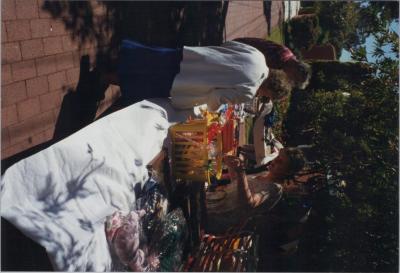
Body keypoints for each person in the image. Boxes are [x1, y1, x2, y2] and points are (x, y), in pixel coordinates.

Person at [115, 39, 279, 112]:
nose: (263, 97)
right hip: (191, 80)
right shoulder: (249, 91)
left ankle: (117, 56)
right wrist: (214, 109)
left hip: (197, 56)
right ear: (270, 89)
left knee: (153, 57)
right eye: (268, 96)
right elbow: (216, 96)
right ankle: (108, 77)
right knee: (147, 81)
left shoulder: (258, 55)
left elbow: (230, 44)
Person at [205, 147, 306, 234]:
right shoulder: (265, 174)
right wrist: (232, 166)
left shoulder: (275, 189)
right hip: (213, 201)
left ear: (287, 171)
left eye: (280, 161)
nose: (275, 161)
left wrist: (241, 172)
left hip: (215, 215)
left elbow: (248, 203)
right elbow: (237, 184)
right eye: (277, 157)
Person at [233, 37, 311, 90]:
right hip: (238, 48)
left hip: (241, 51)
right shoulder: (281, 59)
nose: (290, 79)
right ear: (296, 68)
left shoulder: (287, 59)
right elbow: (255, 69)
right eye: (294, 78)